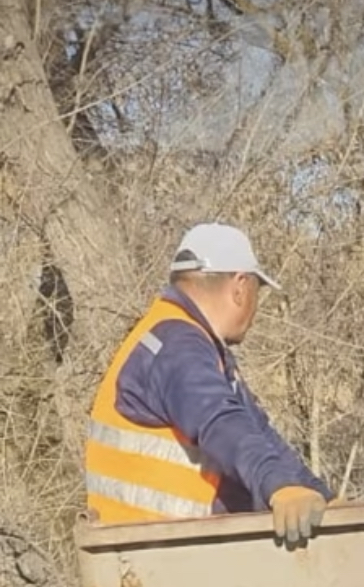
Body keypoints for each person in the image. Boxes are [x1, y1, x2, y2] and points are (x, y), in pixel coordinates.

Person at [85, 223, 330, 547]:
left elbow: (261, 435)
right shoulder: (176, 345)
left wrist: (321, 497)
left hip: (169, 550)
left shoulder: (195, 344)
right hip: (157, 556)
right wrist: (279, 486)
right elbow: (220, 422)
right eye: (257, 290)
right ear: (240, 287)